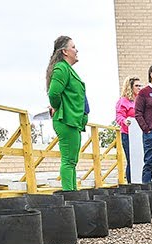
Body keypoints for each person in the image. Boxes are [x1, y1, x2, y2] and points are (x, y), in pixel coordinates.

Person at [46, 36, 86, 192]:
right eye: (74, 47)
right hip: (66, 119)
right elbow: (54, 93)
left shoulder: (68, 69)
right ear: (65, 51)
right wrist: (56, 107)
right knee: (68, 161)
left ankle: (73, 192)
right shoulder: (61, 68)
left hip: (73, 120)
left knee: (72, 161)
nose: (76, 50)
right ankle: (69, 194)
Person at [115, 77, 140, 183]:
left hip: (140, 134)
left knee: (141, 159)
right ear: (130, 87)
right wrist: (124, 121)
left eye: (140, 86)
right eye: (137, 86)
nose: (139, 88)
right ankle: (131, 183)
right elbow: (119, 116)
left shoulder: (140, 101)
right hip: (128, 134)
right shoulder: (123, 101)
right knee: (132, 161)